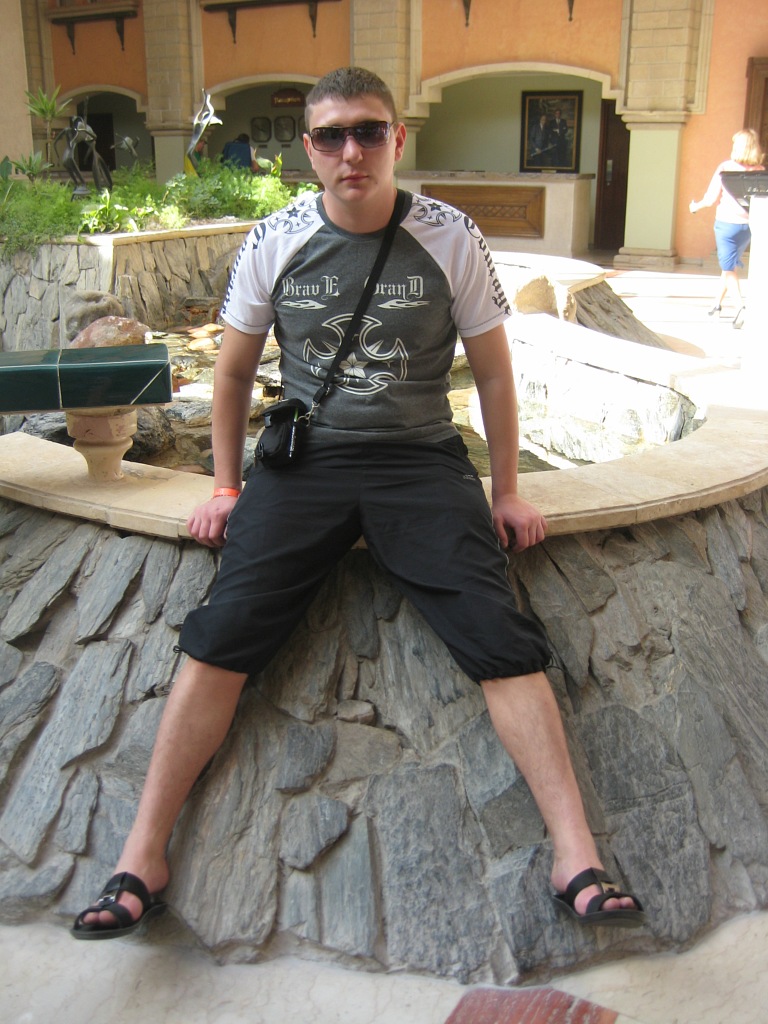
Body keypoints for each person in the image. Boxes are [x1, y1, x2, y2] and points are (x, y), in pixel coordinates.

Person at [72, 66, 644, 941]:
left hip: (420, 462)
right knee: (222, 632)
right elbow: (232, 372)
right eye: (332, 135)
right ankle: (141, 856)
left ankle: (576, 855)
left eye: (369, 131)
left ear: (397, 138)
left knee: (499, 634)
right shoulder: (276, 239)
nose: (352, 151)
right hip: (305, 464)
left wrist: (507, 489)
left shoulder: (449, 234)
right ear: (309, 149)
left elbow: (493, 374)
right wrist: (225, 487)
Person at [689, 128, 765, 319]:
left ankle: (740, 308)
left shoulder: (725, 168)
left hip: (726, 225)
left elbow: (710, 198)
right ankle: (717, 303)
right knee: (729, 264)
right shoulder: (760, 171)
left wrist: (695, 206)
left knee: (728, 267)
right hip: (747, 226)